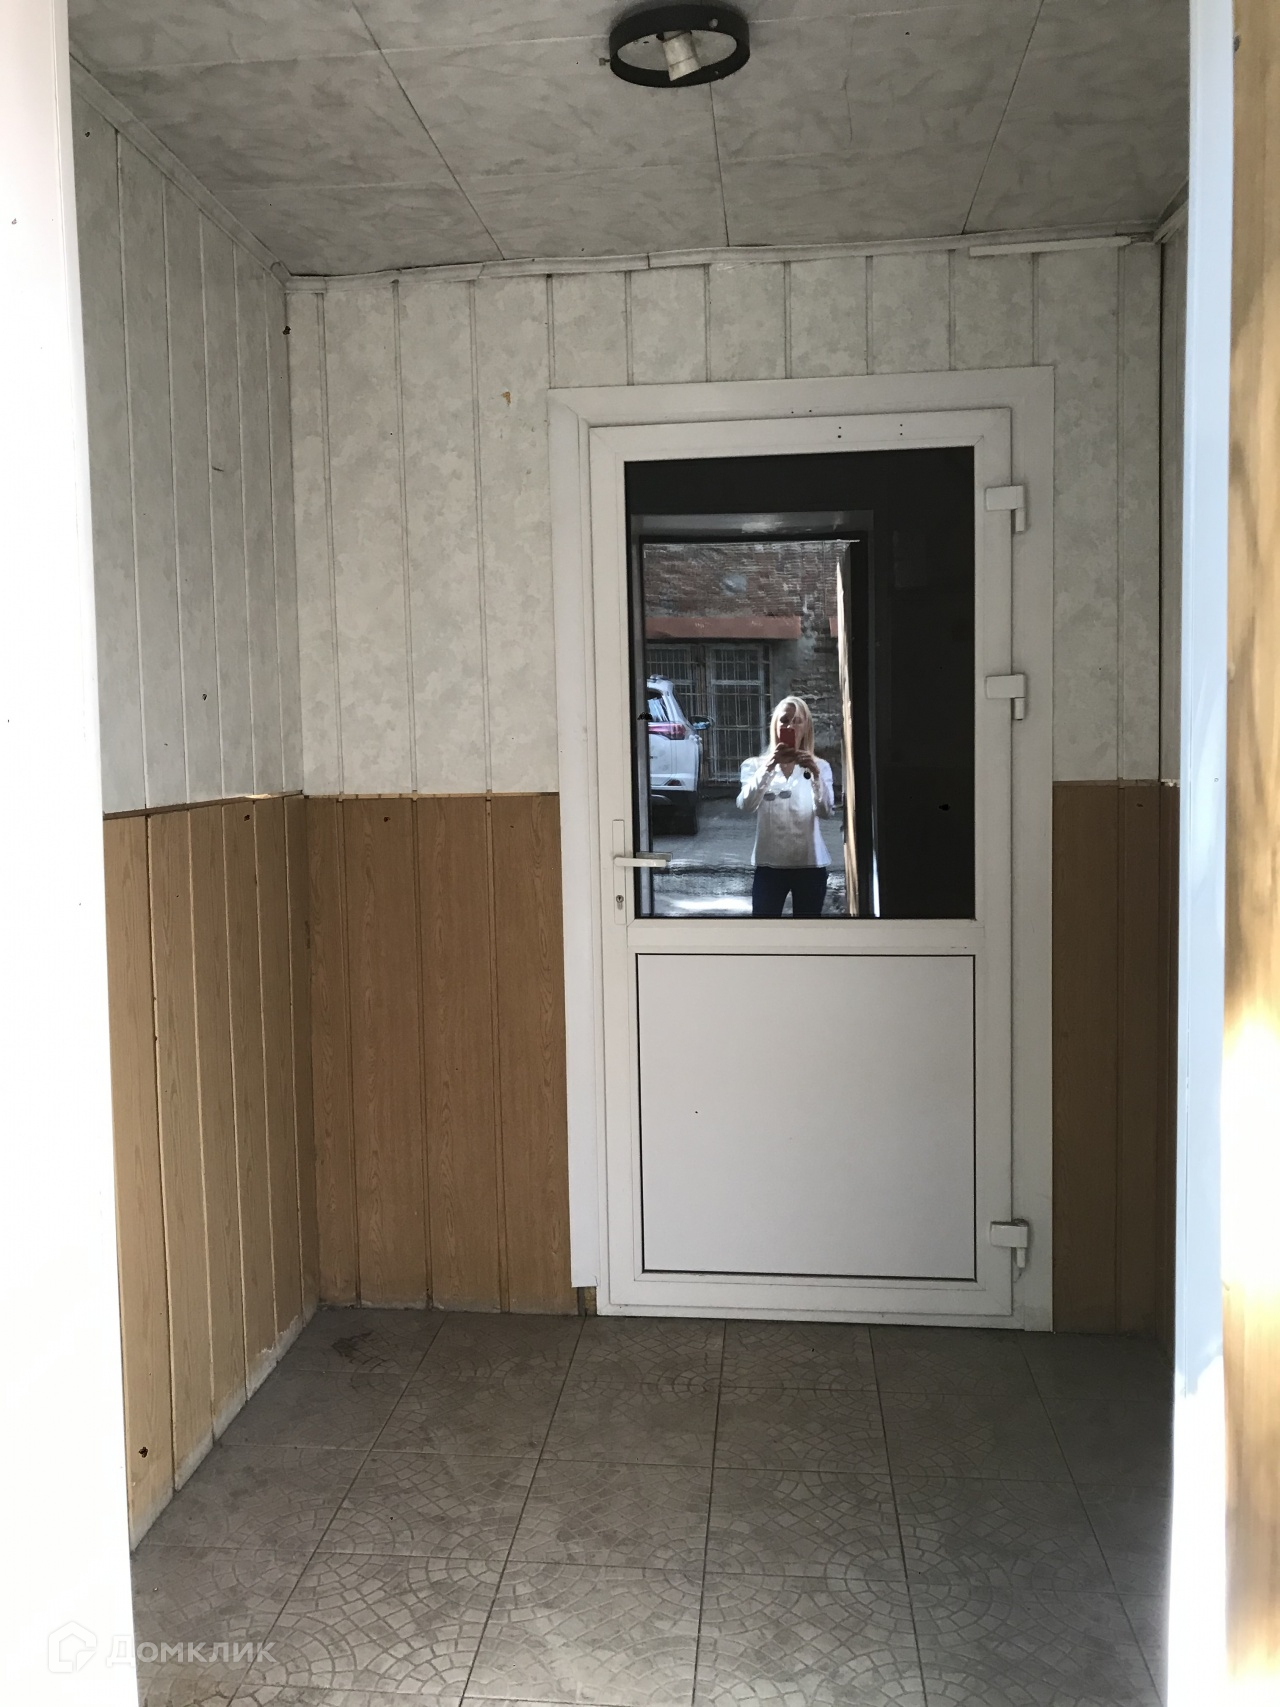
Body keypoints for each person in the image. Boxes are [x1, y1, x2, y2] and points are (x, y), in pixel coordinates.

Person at [737, 695, 835, 918]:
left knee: (807, 931)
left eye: (797, 721)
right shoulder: (754, 766)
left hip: (810, 864)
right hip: (769, 865)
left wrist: (815, 776)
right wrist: (770, 766)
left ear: (806, 727)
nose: (790, 726)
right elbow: (745, 805)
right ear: (775, 725)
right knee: (765, 930)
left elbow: (826, 812)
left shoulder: (820, 766)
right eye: (784, 720)